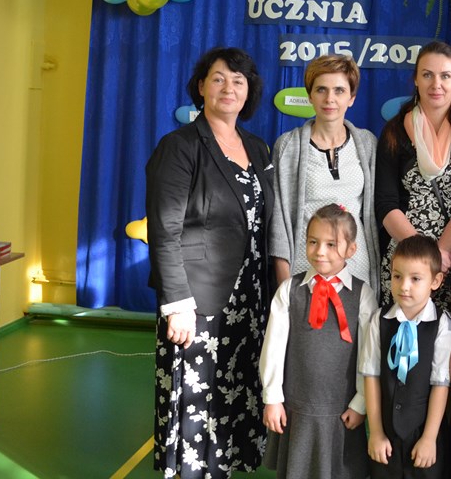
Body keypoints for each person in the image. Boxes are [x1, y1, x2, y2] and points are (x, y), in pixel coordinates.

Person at [145, 46, 274, 478]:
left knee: (233, 399)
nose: (228, 88)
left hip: (249, 302)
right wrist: (177, 303)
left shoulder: (257, 148)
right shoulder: (180, 147)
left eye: (238, 81)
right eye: (218, 79)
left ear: (249, 91)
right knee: (195, 404)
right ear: (201, 87)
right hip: (197, 303)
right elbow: (164, 230)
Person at [260, 204, 378, 479]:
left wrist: (361, 402)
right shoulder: (289, 290)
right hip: (296, 408)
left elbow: (369, 354)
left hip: (342, 411)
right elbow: (273, 347)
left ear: (351, 249)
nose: (320, 251)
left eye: (331, 244)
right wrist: (272, 398)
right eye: (313, 242)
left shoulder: (363, 295)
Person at [375, 41, 451, 311]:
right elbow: (385, 203)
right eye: (427, 74)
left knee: (447, 332)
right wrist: (422, 256)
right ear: (416, 79)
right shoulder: (394, 132)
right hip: (403, 259)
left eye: (445, 76)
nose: (436, 84)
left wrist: (439, 256)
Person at [271, 54, 379, 290]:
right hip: (305, 272)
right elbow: (278, 222)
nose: (330, 98)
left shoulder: (368, 144)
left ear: (352, 98)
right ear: (310, 95)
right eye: (321, 89)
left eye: (339, 90)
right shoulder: (288, 146)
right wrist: (286, 289)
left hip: (356, 272)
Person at [360, 235, 451, 479]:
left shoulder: (442, 325)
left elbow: (440, 384)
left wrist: (429, 438)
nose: (404, 286)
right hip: (386, 439)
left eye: (415, 279)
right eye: (397, 276)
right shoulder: (379, 320)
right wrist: (376, 432)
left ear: (435, 281)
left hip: (424, 436)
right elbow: (371, 377)